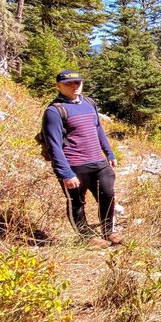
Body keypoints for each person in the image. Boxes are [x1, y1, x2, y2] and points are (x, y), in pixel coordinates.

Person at [42, 69, 122, 248]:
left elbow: (98, 128)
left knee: (107, 194)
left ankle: (108, 231)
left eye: (77, 82)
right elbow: (53, 145)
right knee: (76, 202)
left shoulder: (89, 102)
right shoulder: (54, 111)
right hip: (74, 164)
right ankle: (86, 237)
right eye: (68, 83)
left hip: (98, 161)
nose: (74, 86)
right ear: (58, 86)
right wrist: (65, 173)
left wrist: (109, 152)